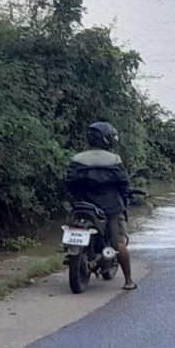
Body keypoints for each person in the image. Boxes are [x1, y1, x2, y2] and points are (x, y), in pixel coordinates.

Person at [64, 122, 136, 290]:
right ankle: (129, 281)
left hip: (82, 205)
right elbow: (123, 184)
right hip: (110, 208)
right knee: (119, 243)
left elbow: (69, 182)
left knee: (71, 224)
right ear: (108, 139)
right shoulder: (114, 159)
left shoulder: (78, 158)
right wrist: (127, 192)